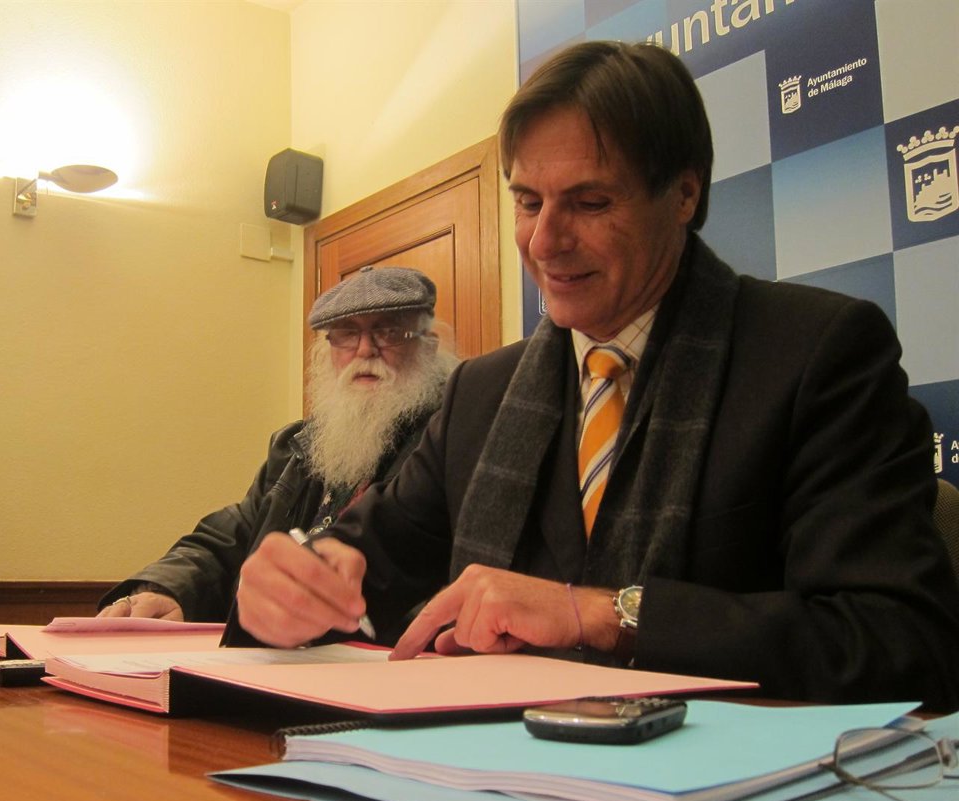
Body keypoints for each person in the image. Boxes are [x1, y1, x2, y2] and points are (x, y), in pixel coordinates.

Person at [234, 41, 959, 710]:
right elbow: (364, 563)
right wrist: (290, 586)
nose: (545, 241)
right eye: (527, 202)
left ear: (684, 195)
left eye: (590, 203)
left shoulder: (818, 352)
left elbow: (899, 641)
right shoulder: (479, 395)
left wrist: (605, 614)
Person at [97, 266, 459, 645]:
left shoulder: (451, 442)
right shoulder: (297, 447)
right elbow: (228, 540)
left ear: (428, 346)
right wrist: (166, 590)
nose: (365, 350)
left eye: (389, 332)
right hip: (277, 662)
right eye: (346, 334)